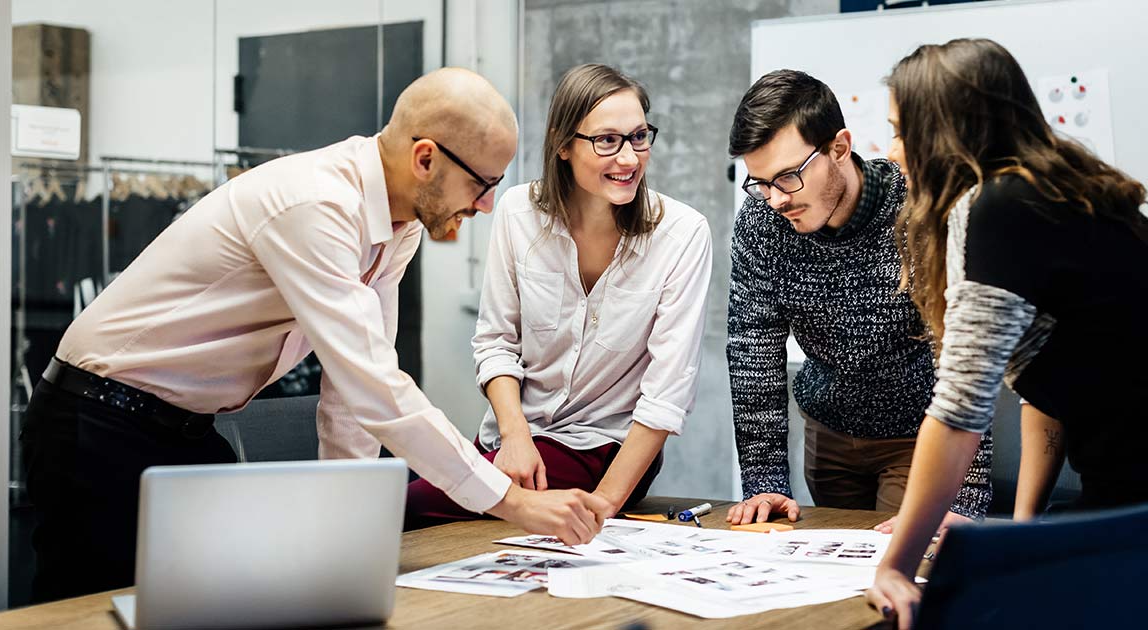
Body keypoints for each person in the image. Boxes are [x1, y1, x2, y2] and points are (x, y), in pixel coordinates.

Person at [19, 68, 613, 603]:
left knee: (212, 608)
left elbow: (352, 396)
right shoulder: (317, 204)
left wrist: (344, 526)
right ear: (426, 159)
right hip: (96, 421)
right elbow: (376, 386)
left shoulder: (396, 226)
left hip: (182, 431)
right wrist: (512, 502)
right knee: (84, 614)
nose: (486, 206)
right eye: (482, 184)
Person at [867, 38, 1148, 628]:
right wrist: (1024, 530)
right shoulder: (1068, 190)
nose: (892, 152)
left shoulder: (999, 207)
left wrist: (896, 564)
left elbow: (958, 411)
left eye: (900, 130)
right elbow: (1054, 380)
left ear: (942, 131)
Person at [405, 64, 712, 529]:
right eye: (607, 140)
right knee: (396, 482)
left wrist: (606, 503)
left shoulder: (683, 233)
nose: (629, 158)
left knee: (401, 506)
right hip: (513, 440)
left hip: (604, 450)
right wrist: (514, 438)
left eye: (639, 136)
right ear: (563, 144)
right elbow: (495, 343)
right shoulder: (517, 212)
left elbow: (666, 392)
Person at [723, 70, 993, 528]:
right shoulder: (762, 223)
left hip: (919, 436)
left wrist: (964, 499)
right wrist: (765, 478)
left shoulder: (917, 211)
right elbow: (754, 349)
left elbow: (964, 355)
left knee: (903, 568)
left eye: (788, 177)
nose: (774, 200)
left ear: (839, 148)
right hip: (828, 434)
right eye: (760, 182)